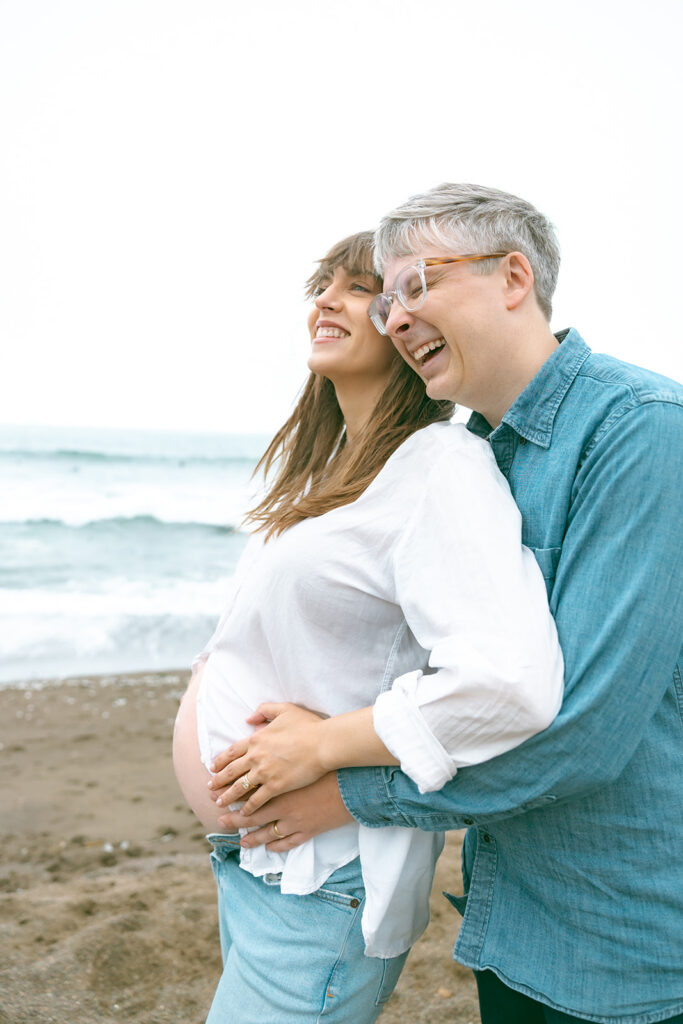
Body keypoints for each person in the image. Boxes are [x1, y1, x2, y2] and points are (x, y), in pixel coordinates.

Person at [214, 186, 683, 1024]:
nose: (394, 318)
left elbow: (582, 734)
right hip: (517, 918)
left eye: (415, 287)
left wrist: (342, 786)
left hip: (627, 947)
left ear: (513, 277)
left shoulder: (642, 431)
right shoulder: (481, 453)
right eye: (385, 299)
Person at [172, 229, 565, 1024]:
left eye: (359, 289)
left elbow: (506, 683)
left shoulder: (438, 468)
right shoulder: (331, 472)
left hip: (321, 883)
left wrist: (327, 744)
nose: (326, 300)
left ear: (407, 325)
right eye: (323, 283)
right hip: (261, 869)